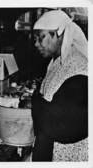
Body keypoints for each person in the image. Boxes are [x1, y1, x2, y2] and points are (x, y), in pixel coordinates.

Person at [31, 10, 88, 161]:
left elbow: (61, 127)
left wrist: (34, 101)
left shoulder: (80, 68)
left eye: (41, 37)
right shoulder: (58, 61)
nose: (36, 43)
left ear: (59, 34)